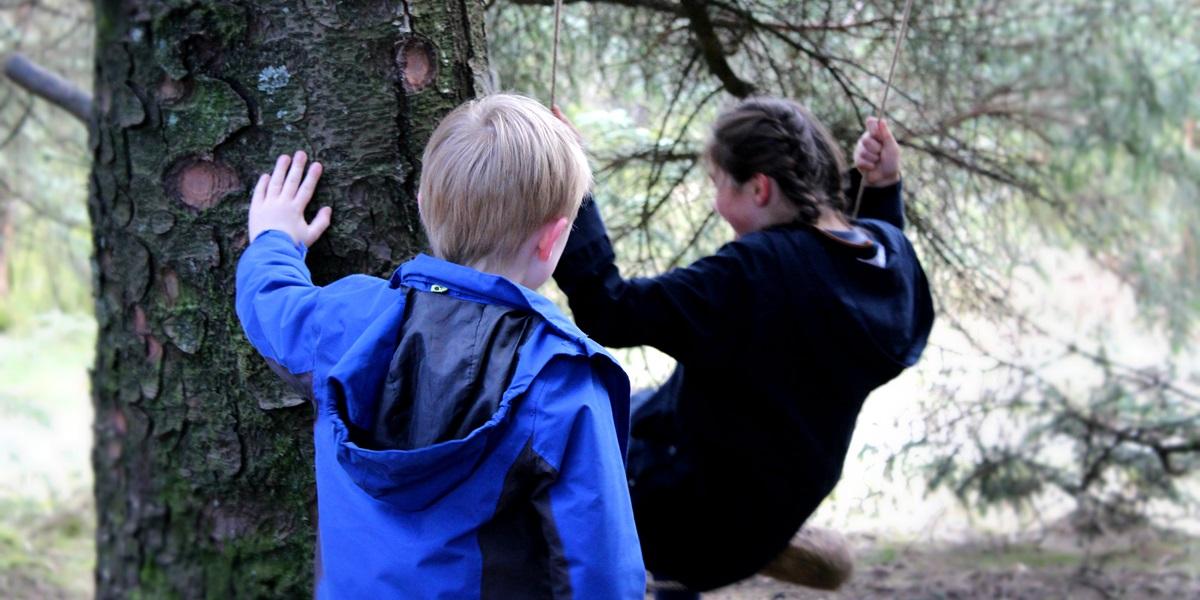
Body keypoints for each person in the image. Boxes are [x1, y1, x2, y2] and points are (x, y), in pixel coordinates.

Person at [236, 94, 645, 599]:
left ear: (424, 205)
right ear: (553, 239)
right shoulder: (559, 378)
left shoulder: (346, 320)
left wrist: (274, 238)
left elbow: (271, 304)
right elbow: (601, 572)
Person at [552, 97, 935, 595]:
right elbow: (861, 271)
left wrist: (571, 184)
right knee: (633, 409)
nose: (715, 201)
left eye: (718, 184)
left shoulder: (756, 273)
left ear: (759, 188)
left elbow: (611, 307)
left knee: (556, 432)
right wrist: (883, 188)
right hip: (767, 515)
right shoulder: (889, 256)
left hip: (686, 518)